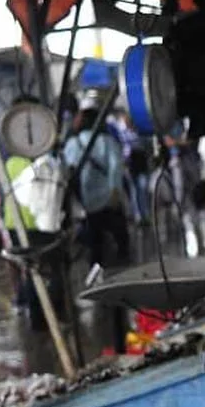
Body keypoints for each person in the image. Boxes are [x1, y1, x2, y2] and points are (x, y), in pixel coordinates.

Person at [63, 104, 130, 352]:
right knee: (118, 240)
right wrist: (114, 191)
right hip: (108, 199)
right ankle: (120, 279)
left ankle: (98, 280)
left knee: (95, 244)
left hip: (87, 203)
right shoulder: (106, 140)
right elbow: (116, 167)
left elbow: (67, 172)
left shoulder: (72, 144)